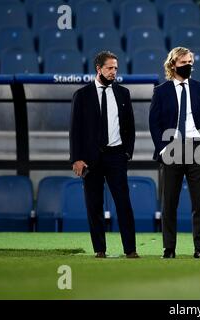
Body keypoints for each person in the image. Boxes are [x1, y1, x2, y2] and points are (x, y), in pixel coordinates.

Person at [69, 51, 138, 259]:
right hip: (90, 159)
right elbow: (75, 130)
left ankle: (131, 250)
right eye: (109, 68)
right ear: (98, 69)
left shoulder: (123, 93)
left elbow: (130, 127)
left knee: (124, 204)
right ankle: (100, 250)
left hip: (117, 156)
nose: (113, 72)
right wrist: (77, 158)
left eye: (116, 68)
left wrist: (127, 152)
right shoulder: (82, 95)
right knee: (94, 205)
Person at [149, 47, 200, 259]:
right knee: (170, 201)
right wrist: (163, 148)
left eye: (190, 62)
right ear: (173, 64)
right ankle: (169, 248)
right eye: (184, 62)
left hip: (198, 148)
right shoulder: (161, 91)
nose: (188, 65)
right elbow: (154, 123)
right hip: (172, 149)